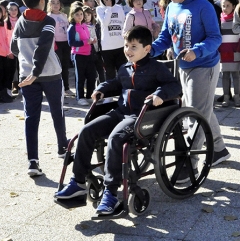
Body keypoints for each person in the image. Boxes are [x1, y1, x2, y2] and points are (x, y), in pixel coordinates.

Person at [55, 26, 181, 215]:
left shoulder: (157, 68)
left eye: (133, 47)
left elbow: (174, 85)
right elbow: (115, 83)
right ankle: (78, 182)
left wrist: (160, 94)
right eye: (126, 46)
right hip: (120, 112)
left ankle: (111, 194)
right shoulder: (125, 68)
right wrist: (102, 89)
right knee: (86, 131)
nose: (128, 50)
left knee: (115, 138)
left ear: (147, 49)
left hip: (141, 117)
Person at [150, 0, 231, 167]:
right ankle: (219, 149)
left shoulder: (203, 6)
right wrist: (148, 50)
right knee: (202, 109)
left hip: (204, 66)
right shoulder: (171, 7)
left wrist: (197, 51)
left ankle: (189, 163)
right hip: (183, 67)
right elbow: (166, 37)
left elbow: (215, 38)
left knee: (195, 114)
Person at [11, 0, 68, 175]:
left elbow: (13, 48)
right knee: (57, 112)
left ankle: (33, 162)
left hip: (27, 77)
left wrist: (30, 69)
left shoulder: (19, 22)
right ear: (42, 0)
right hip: (50, 74)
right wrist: (37, 71)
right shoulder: (48, 21)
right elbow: (44, 47)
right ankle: (62, 148)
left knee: (31, 117)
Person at [215, 0, 240, 103]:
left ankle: (237, 96)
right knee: (225, 75)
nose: (225, 8)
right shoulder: (219, 18)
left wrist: (239, 49)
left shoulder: (238, 19)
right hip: (223, 51)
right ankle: (226, 96)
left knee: (236, 74)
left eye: (227, 6)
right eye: (223, 6)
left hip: (235, 50)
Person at [67, 5, 97, 106]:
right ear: (72, 15)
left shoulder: (84, 25)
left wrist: (92, 41)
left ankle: (89, 96)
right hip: (78, 55)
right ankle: (80, 97)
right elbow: (71, 43)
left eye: (81, 14)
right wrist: (85, 42)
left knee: (91, 76)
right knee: (80, 77)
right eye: (77, 14)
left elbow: (87, 38)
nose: (80, 16)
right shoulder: (72, 27)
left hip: (88, 54)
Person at [96, 0, 126, 80]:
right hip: (107, 46)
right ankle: (111, 92)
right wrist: (108, 8)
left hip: (120, 45)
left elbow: (122, 23)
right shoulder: (99, 9)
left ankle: (123, 90)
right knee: (110, 73)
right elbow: (105, 23)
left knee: (123, 71)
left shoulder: (119, 8)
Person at [47, 0, 73, 96]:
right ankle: (58, 88)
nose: (56, 5)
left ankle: (66, 87)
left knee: (65, 66)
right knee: (57, 66)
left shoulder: (64, 15)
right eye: (53, 3)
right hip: (56, 44)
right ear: (49, 4)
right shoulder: (48, 17)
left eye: (57, 3)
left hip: (65, 43)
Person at [83, 6, 105, 84]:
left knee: (101, 72)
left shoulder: (96, 25)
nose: (86, 17)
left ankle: (102, 88)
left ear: (92, 15)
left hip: (98, 51)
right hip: (89, 52)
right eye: (84, 15)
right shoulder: (82, 26)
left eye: (88, 15)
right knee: (92, 73)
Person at [5, 2, 22, 95]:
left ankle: (21, 87)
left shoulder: (21, 20)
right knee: (11, 70)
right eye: (11, 9)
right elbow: (5, 38)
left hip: (21, 49)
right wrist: (8, 51)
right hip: (10, 50)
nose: (13, 11)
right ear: (8, 11)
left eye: (15, 9)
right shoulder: (5, 23)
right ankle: (9, 88)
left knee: (21, 69)